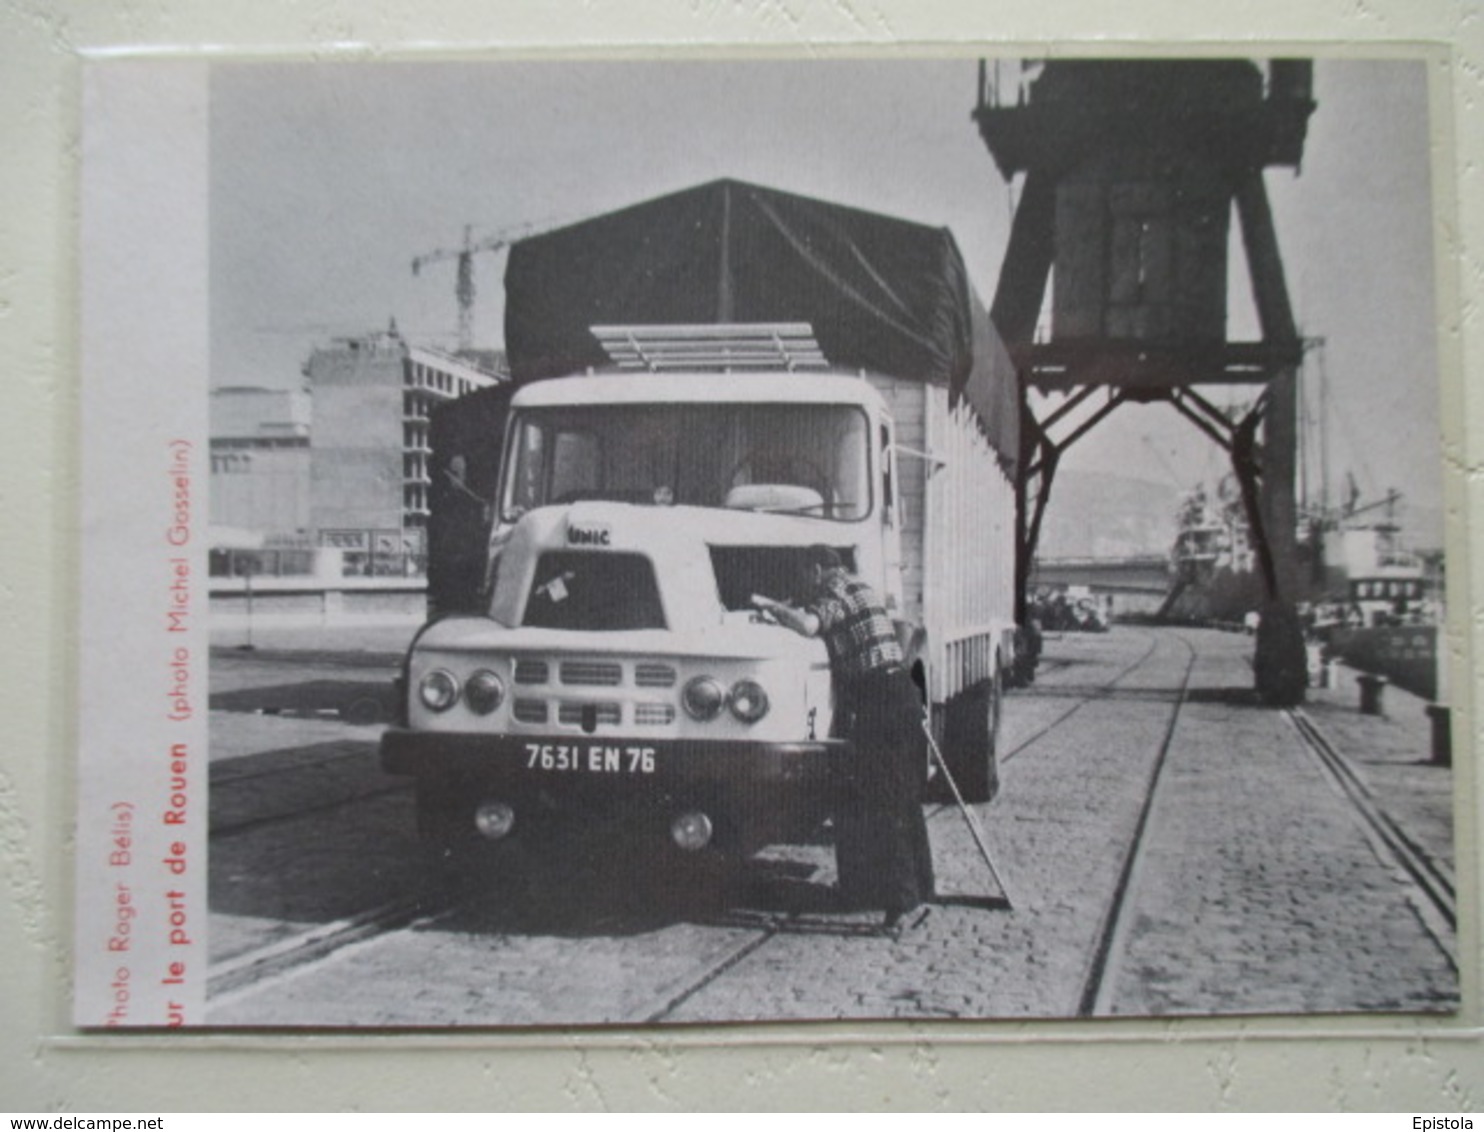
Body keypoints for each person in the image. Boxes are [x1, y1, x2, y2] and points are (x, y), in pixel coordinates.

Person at [751, 545, 934, 929]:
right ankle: (919, 890)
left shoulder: (838, 590)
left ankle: (900, 905)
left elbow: (808, 626)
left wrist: (772, 607)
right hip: (899, 695)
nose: (803, 586)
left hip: (879, 702)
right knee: (903, 798)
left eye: (804, 577)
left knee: (884, 800)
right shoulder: (861, 587)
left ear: (817, 570)